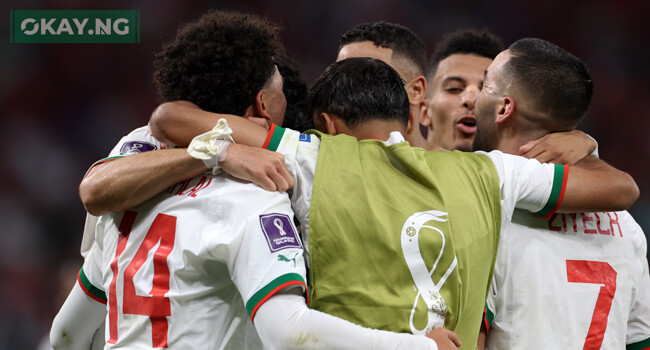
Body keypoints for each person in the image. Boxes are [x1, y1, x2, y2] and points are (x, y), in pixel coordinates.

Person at [148, 56, 638, 347]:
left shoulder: (309, 153)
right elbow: (619, 189)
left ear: (328, 121)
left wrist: (230, 150)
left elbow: (169, 117)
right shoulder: (493, 173)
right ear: (407, 118)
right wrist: (585, 144)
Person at [50, 11, 456, 350]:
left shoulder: (135, 181)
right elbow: (288, 332)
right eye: (280, 90)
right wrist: (422, 346)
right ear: (263, 104)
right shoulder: (256, 192)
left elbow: (65, 335)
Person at [471, 38, 650, 349]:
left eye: (486, 84)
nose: (473, 97)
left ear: (504, 108)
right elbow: (639, 342)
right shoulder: (627, 228)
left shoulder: (491, 202)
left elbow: (472, 337)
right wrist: (589, 142)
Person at [336, 21, 430, 149]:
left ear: (416, 90)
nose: (349, 92)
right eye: (339, 79)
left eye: (369, 77)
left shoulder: (455, 167)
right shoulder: (319, 160)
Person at [420, 29, 503, 151]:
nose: (471, 100)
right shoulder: (389, 167)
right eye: (454, 89)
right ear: (425, 112)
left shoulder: (530, 168)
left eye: (487, 90)